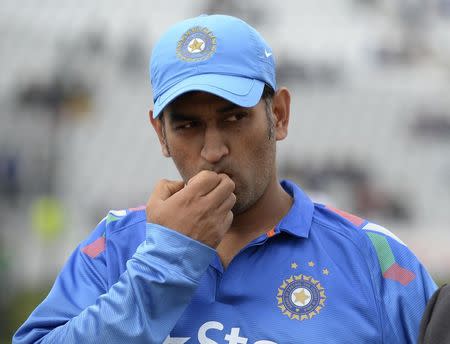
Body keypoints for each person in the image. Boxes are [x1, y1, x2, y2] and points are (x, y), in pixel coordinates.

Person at [13, 14, 437, 344]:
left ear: (280, 115)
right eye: (187, 126)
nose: (213, 149)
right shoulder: (113, 246)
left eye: (234, 118)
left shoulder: (376, 260)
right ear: (160, 134)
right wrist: (165, 262)